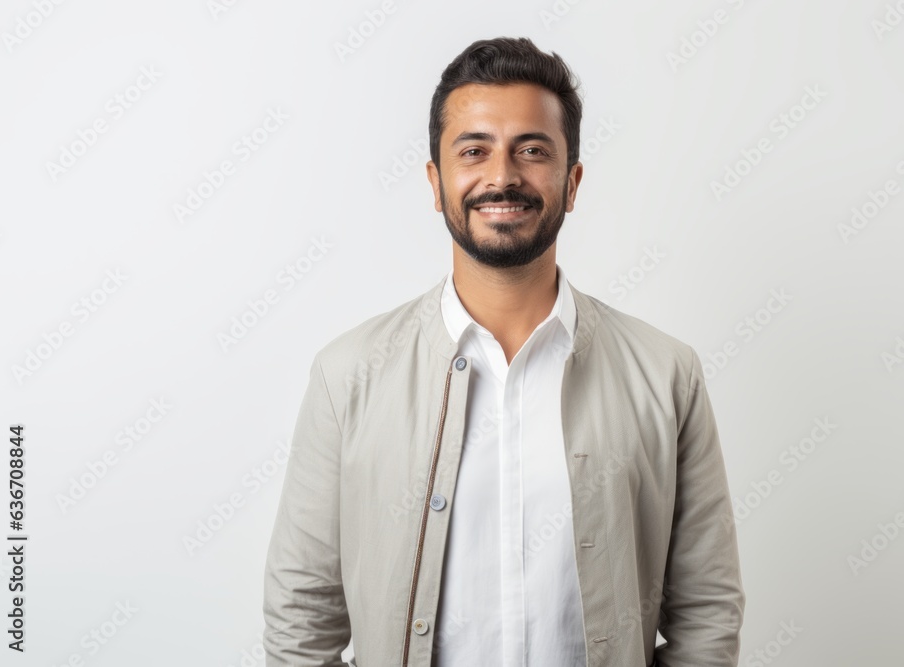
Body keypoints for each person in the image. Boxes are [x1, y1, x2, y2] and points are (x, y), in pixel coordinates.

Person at [262, 36, 744, 667]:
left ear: (571, 183)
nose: (502, 176)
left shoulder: (665, 373)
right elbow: (302, 611)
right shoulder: (348, 374)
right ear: (436, 183)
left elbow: (706, 607)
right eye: (474, 150)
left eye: (532, 150)